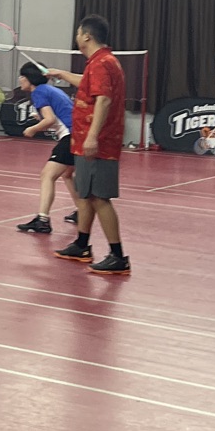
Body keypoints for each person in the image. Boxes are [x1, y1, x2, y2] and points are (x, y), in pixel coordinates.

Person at [48, 15, 130, 275]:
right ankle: (82, 245)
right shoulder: (101, 62)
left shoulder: (102, 63)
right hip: (84, 141)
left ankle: (118, 256)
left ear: (87, 36)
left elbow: (103, 100)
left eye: (78, 33)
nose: (76, 37)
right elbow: (87, 82)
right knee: (86, 195)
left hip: (98, 144)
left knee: (99, 198)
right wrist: (62, 74)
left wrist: (93, 136)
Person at [14, 61, 82, 234]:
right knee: (67, 174)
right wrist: (41, 119)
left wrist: (33, 129)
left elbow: (50, 119)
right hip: (80, 134)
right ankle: (82, 211)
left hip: (71, 136)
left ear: (29, 78)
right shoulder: (51, 90)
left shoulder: (39, 92)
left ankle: (42, 220)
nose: (20, 79)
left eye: (22, 76)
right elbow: (58, 115)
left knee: (47, 175)